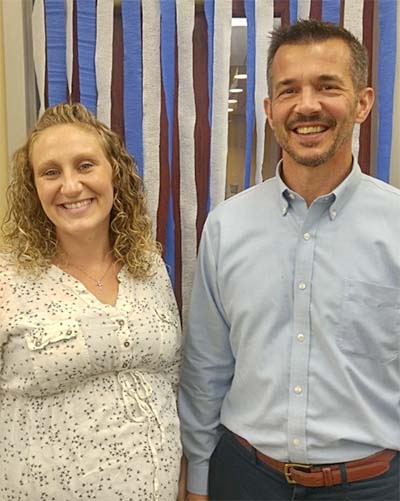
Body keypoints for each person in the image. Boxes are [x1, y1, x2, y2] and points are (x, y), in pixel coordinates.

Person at [179, 19, 400, 501]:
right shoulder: (226, 227)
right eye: (288, 90)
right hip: (245, 480)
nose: (307, 105)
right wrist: (198, 479)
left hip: (372, 486)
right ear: (269, 110)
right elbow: (206, 369)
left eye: (328, 86)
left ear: (363, 103)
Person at [0, 103, 182, 500]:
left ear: (113, 173)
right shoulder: (7, 278)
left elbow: (171, 378)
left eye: (85, 165)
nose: (70, 186)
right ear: (33, 188)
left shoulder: (148, 266)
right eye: (51, 172)